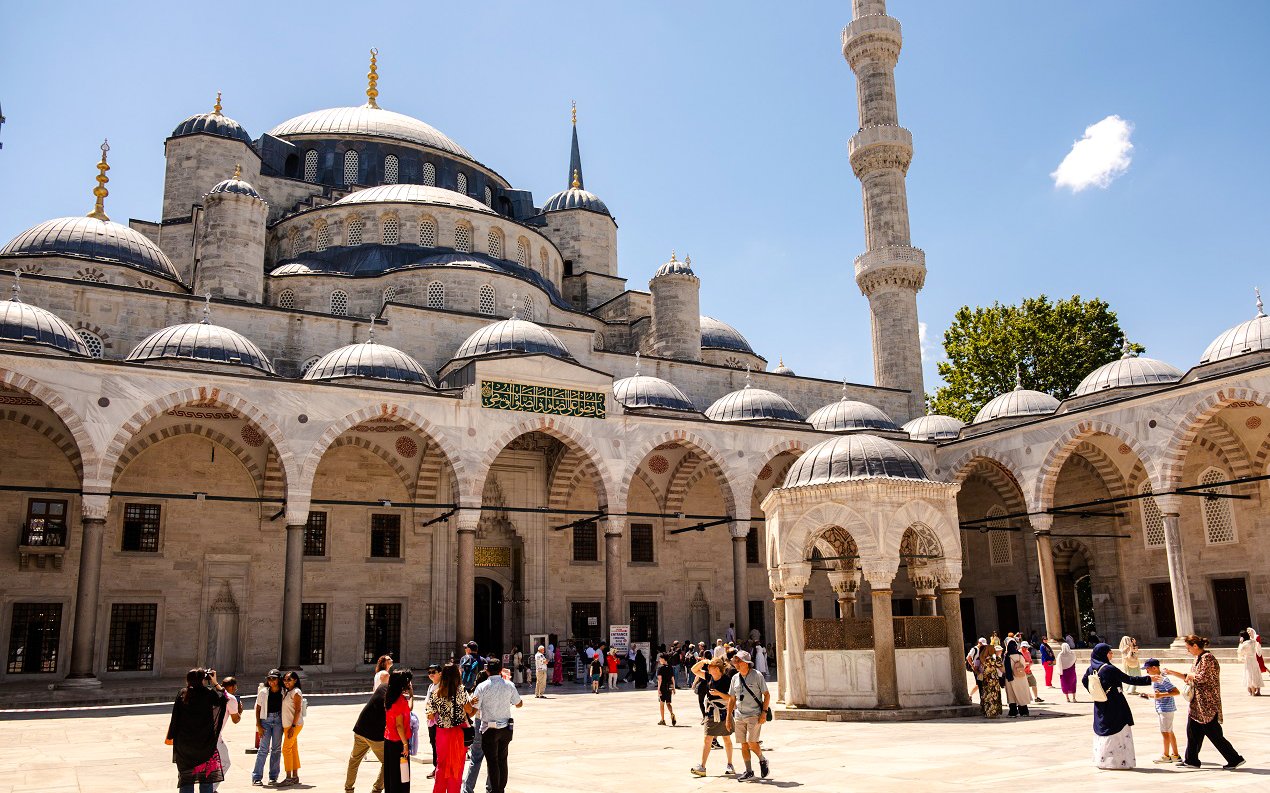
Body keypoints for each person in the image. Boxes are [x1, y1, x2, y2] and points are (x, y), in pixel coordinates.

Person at [1165, 634, 1245, 770]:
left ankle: (1235, 759)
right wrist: (1172, 672)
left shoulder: (1208, 658)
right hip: (1197, 704)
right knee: (1192, 731)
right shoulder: (1197, 658)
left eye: (1188, 648)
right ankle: (1191, 760)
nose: (1188, 651)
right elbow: (1189, 677)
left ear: (1195, 646)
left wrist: (1190, 676)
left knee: (1214, 734)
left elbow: (1202, 678)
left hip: (1207, 704)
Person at [1082, 642, 1153, 769]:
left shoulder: (1091, 668)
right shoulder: (1108, 669)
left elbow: (1084, 680)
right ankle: (1118, 762)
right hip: (1114, 703)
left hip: (1100, 703)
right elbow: (1128, 679)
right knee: (1117, 729)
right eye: (1110, 652)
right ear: (1104, 654)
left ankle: (1103, 760)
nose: (1112, 654)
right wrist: (1149, 679)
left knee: (1104, 727)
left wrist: (1096, 693)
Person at [167, 668, 228, 793]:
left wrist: (172, 736)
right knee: (206, 782)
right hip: (205, 745)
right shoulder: (209, 694)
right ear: (203, 680)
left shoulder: (182, 694)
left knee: (186, 781)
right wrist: (215, 682)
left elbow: (175, 717)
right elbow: (224, 698)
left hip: (184, 746)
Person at [470, 658, 522, 793]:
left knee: (492, 762)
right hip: (505, 729)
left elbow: (473, 711)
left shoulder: (482, 687)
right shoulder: (509, 685)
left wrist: (469, 703)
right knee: (502, 760)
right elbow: (519, 703)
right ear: (500, 670)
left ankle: (495, 790)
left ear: (487, 671)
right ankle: (501, 788)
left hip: (489, 729)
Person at [426, 664, 474, 793]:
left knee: (441, 765)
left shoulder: (436, 692)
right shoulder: (461, 690)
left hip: (442, 733)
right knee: (456, 767)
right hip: (459, 732)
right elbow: (469, 710)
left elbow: (430, 715)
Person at [725, 650, 769, 781]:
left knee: (751, 742)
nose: (735, 663)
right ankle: (749, 771)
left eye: (738, 661)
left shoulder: (757, 675)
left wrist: (764, 713)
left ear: (745, 663)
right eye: (735, 661)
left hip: (754, 714)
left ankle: (762, 759)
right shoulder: (734, 678)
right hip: (739, 715)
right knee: (743, 744)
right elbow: (732, 699)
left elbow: (766, 695)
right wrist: (728, 718)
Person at [690, 658, 735, 777]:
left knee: (726, 739)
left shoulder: (726, 680)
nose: (707, 669)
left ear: (716, 669)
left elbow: (731, 698)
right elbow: (694, 670)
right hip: (711, 711)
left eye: (710, 667)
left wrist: (719, 694)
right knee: (707, 738)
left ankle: (730, 764)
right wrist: (704, 662)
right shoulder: (709, 677)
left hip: (724, 711)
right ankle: (702, 766)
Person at [348, 680, 388, 793]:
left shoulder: (382, 687)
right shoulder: (393, 696)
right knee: (388, 762)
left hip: (360, 728)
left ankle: (348, 789)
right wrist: (410, 694)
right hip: (375, 735)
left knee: (354, 760)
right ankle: (377, 789)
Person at [1143, 658, 1180, 764]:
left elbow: (1176, 692)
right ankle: (1175, 754)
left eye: (1148, 669)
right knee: (1169, 731)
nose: (1147, 671)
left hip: (1165, 708)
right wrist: (1149, 696)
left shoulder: (1162, 679)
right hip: (1164, 708)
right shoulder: (1158, 679)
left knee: (1165, 732)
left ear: (1154, 668)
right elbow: (1159, 694)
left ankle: (1166, 755)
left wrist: (1160, 695)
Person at [383, 667, 414, 793]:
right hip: (399, 742)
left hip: (389, 740)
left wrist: (411, 696)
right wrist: (405, 744)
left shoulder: (390, 696)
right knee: (401, 775)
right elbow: (399, 725)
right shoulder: (400, 700)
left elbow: (408, 708)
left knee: (391, 773)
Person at [252, 669, 284, 786]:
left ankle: (273, 777)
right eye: (269, 679)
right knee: (263, 749)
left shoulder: (283, 691)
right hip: (266, 720)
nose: (271, 681)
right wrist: (258, 725)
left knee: (276, 749)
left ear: (278, 679)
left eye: (274, 679)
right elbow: (258, 709)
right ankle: (257, 777)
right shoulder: (264, 692)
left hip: (278, 720)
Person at [212, 676, 240, 792]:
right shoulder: (231, 698)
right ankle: (211, 789)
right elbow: (236, 719)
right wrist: (239, 710)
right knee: (225, 762)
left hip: (202, 735)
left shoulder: (212, 695)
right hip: (214, 737)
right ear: (233, 687)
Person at [279, 670, 305, 786]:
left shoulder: (296, 692)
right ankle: (295, 776)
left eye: (289, 679)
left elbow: (298, 710)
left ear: (295, 680)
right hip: (288, 725)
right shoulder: (288, 692)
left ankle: (288, 777)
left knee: (286, 750)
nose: (286, 682)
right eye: (284, 679)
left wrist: (293, 727)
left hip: (293, 725)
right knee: (293, 749)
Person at [1001, 638, 1031, 717]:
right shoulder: (1019, 655)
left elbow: (1003, 668)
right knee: (1021, 693)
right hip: (1021, 677)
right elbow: (1023, 665)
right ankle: (1024, 711)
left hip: (1010, 678)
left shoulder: (1007, 656)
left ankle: (1013, 712)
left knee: (1011, 695)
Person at [423, 664, 442, 780]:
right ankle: (436, 768)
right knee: (433, 744)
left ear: (440, 673)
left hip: (438, 721)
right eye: (429, 672)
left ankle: (438, 768)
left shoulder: (442, 686)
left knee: (438, 746)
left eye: (433, 672)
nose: (430, 674)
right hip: (431, 721)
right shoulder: (431, 686)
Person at [977, 643, 1003, 718]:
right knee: (994, 696)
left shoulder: (983, 658)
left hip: (986, 680)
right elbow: (1001, 666)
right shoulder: (994, 659)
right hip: (993, 680)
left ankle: (986, 712)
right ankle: (993, 713)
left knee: (987, 696)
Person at [1237, 629, 1262, 695]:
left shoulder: (1244, 644)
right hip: (1254, 659)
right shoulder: (1253, 642)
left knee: (1250, 674)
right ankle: (1258, 691)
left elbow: (1240, 651)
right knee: (1256, 673)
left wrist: (1240, 643)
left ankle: (1253, 692)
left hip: (1248, 660)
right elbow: (1258, 650)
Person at [656, 653, 677, 725]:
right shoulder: (670, 667)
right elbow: (672, 678)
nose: (659, 660)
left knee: (662, 704)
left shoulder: (660, 668)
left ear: (663, 659)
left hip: (663, 687)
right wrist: (674, 688)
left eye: (660, 658)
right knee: (668, 703)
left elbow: (660, 680)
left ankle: (662, 720)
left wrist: (658, 689)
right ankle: (672, 713)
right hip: (669, 687)